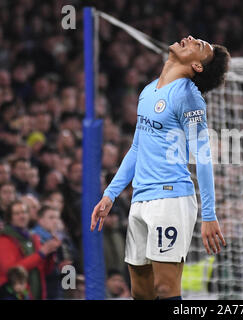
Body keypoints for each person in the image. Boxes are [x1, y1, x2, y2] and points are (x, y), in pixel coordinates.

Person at [91, 35, 230, 300]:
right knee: (141, 292)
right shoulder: (148, 91)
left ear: (197, 67)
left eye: (198, 46)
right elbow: (136, 148)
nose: (190, 39)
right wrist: (110, 194)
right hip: (140, 199)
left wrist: (209, 214)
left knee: (165, 288)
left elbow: (202, 156)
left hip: (171, 198)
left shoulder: (189, 97)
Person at [0, 200, 61, 299]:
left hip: (37, 293)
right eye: (17, 213)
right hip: (13, 294)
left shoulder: (34, 238)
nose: (22, 216)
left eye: (24, 212)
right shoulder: (4, 239)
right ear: (10, 217)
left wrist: (50, 252)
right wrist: (41, 253)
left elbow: (45, 270)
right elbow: (12, 270)